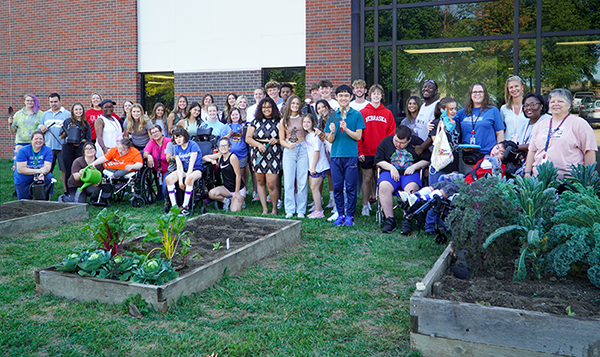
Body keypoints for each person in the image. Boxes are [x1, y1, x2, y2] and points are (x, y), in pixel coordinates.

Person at [525, 88, 597, 179]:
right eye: (553, 101)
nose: (556, 104)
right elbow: (532, 150)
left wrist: (588, 179)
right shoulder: (540, 125)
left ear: (569, 105)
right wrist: (527, 172)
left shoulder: (579, 124)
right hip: (540, 180)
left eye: (560, 101)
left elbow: (589, 151)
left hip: (569, 181)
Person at [375, 125, 430, 234]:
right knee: (384, 186)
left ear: (409, 140)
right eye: (396, 141)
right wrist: (391, 167)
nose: (398, 145)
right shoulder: (386, 142)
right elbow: (378, 160)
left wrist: (414, 166)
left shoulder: (417, 142)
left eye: (402, 143)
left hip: (409, 173)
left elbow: (427, 160)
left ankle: (407, 219)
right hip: (389, 173)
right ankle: (389, 219)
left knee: (412, 188)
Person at [325, 84, 365, 227]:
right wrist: (331, 131)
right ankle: (340, 214)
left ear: (351, 97)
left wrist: (346, 129)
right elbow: (330, 140)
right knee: (337, 186)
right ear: (336, 97)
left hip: (351, 156)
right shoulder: (332, 115)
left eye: (346, 95)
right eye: (340, 95)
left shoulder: (357, 114)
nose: (343, 98)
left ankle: (350, 215)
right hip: (336, 155)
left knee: (350, 187)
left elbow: (358, 136)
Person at [358, 84, 396, 216]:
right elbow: (359, 135)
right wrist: (360, 151)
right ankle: (365, 205)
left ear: (382, 96)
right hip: (367, 151)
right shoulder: (363, 112)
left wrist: (388, 152)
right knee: (367, 178)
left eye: (378, 94)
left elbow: (391, 135)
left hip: (382, 154)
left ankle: (381, 205)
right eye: (374, 93)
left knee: (380, 179)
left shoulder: (388, 113)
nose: (376, 96)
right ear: (370, 95)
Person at [455, 82, 505, 172]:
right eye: (474, 92)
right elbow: (449, 125)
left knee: (485, 184)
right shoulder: (462, 113)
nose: (477, 94)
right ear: (470, 95)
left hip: (487, 156)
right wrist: (432, 125)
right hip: (468, 157)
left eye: (480, 92)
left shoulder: (493, 110)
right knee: (468, 183)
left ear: (485, 94)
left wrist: (499, 153)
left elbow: (500, 132)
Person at [245, 97, 282, 215]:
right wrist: (258, 144)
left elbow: (284, 138)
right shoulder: (255, 122)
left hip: (274, 155)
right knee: (260, 182)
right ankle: (265, 209)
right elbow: (248, 138)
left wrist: (276, 140)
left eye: (269, 107)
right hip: (258, 155)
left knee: (271, 184)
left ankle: (274, 208)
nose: (266, 109)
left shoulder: (279, 121)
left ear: (273, 108)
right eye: (264, 107)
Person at [279, 95, 309, 218]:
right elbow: (281, 140)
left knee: (302, 180)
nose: (295, 106)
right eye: (293, 104)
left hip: (302, 149)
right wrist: (288, 145)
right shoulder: (284, 120)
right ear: (289, 105)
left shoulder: (303, 118)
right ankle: (290, 209)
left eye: (297, 104)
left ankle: (301, 209)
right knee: (289, 182)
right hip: (289, 151)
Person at [165, 127, 205, 217]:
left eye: (179, 137)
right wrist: (180, 181)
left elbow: (192, 164)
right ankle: (174, 207)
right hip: (183, 170)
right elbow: (179, 166)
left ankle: (185, 207)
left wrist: (186, 178)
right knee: (168, 179)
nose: (177, 139)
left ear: (184, 136)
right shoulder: (176, 148)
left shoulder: (193, 145)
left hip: (196, 169)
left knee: (189, 179)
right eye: (176, 138)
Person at [203, 137, 246, 212]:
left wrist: (236, 193)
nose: (223, 147)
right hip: (226, 188)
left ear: (229, 147)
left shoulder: (232, 157)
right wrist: (212, 160)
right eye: (221, 145)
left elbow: (238, 176)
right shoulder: (220, 156)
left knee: (234, 210)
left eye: (225, 145)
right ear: (219, 147)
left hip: (237, 188)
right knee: (211, 194)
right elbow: (204, 157)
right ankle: (226, 200)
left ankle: (239, 198)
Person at [39, 93, 70, 188]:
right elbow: (39, 127)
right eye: (51, 102)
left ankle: (66, 190)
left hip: (62, 147)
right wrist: (41, 127)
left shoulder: (67, 114)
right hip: (48, 148)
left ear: (60, 101)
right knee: (47, 169)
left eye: (55, 101)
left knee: (64, 170)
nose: (53, 104)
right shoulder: (45, 114)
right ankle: (46, 189)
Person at [427, 97, 461, 183]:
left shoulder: (456, 124)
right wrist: (443, 129)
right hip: (439, 166)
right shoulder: (436, 124)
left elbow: (457, 142)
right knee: (435, 193)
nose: (454, 111)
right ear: (442, 110)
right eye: (451, 109)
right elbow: (436, 143)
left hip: (453, 166)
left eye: (455, 109)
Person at [13, 131, 54, 200]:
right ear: (31, 140)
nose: (39, 141)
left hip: (40, 176)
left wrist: (42, 173)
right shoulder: (23, 150)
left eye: (41, 139)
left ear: (43, 141)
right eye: (36, 139)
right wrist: (39, 171)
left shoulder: (48, 150)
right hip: (24, 178)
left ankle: (46, 199)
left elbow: (47, 167)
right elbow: (21, 169)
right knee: (24, 203)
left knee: (49, 177)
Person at [60, 102, 91, 192]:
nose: (78, 111)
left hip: (79, 148)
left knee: (79, 169)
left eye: (80, 109)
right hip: (67, 148)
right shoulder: (67, 121)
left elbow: (88, 138)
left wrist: (80, 140)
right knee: (68, 170)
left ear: (83, 111)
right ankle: (68, 191)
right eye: (76, 109)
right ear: (73, 111)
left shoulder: (85, 123)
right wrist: (68, 131)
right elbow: (61, 136)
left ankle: (80, 190)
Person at [304, 114, 330, 219]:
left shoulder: (315, 136)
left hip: (319, 166)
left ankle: (319, 211)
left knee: (314, 188)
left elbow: (317, 152)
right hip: (312, 166)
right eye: (304, 122)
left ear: (313, 123)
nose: (306, 124)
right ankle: (317, 209)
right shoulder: (307, 135)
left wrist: (313, 167)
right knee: (313, 188)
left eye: (308, 122)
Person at [143, 125, 171, 200]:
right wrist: (149, 156)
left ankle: (168, 198)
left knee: (165, 186)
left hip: (169, 169)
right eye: (153, 133)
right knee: (161, 195)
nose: (155, 134)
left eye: (157, 131)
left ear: (162, 132)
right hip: (157, 170)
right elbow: (145, 153)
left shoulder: (168, 141)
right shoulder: (152, 142)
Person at [224, 107, 249, 191]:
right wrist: (229, 135)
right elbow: (221, 140)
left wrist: (243, 132)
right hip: (230, 155)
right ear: (230, 116)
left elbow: (247, 139)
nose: (235, 116)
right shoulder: (226, 126)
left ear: (240, 115)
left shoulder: (244, 126)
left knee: (240, 174)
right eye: (233, 114)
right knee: (232, 174)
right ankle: (232, 191)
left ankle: (242, 192)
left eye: (236, 114)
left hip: (242, 154)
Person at [414, 80, 440, 153]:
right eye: (424, 87)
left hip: (431, 151)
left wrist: (422, 148)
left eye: (430, 87)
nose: (426, 89)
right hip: (421, 148)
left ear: (436, 91)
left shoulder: (437, 106)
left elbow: (435, 131)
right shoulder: (423, 106)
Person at [500, 76, 527, 143]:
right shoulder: (504, 108)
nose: (514, 89)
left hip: (525, 145)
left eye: (516, 86)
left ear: (522, 87)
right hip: (508, 146)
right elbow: (502, 129)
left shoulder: (528, 108)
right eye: (511, 87)